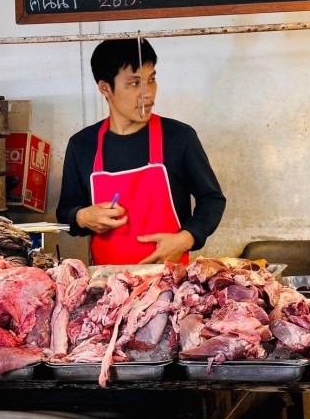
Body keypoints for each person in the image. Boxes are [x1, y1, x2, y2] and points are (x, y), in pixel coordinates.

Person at [56, 38, 226, 265]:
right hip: (107, 281)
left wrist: (186, 238)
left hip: (170, 280)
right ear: (105, 88)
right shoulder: (82, 145)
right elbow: (65, 212)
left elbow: (212, 199)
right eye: (134, 83)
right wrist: (82, 216)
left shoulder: (179, 137)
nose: (148, 93)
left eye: (151, 79)